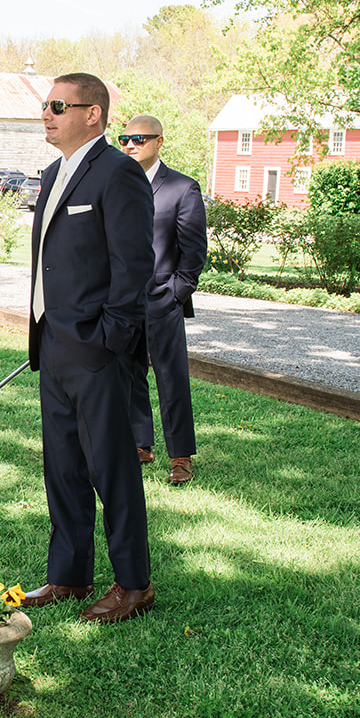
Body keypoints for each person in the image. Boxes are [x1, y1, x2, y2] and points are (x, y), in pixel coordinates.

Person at [21, 72, 158, 622]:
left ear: (93, 113)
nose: (48, 114)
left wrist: (110, 342)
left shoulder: (119, 173)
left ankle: (134, 583)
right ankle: (69, 576)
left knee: (112, 469)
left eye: (58, 105)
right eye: (46, 105)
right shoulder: (55, 172)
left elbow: (134, 266)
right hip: (52, 346)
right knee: (63, 467)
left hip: (97, 351)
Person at [118, 115, 207, 485]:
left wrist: (175, 294)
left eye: (139, 138)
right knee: (129, 374)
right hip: (121, 301)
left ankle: (181, 456)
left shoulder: (183, 189)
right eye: (124, 138)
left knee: (172, 379)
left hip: (162, 300)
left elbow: (194, 252)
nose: (130, 145)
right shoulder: (118, 185)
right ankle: (141, 443)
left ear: (159, 142)